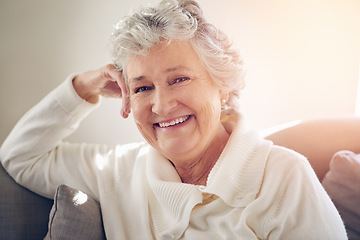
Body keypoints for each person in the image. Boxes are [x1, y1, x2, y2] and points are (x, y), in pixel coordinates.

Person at [0, 0, 348, 239]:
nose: (162, 105)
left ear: (222, 86)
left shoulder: (285, 177)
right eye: (142, 88)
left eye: (179, 79)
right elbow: (21, 156)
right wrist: (82, 87)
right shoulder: (117, 172)